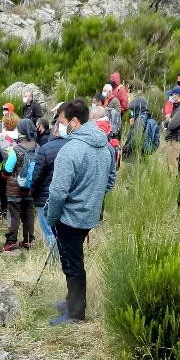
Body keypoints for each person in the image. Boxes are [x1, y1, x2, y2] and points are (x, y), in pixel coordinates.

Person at [45, 99, 116, 325]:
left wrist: (51, 218)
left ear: (74, 122)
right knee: (73, 261)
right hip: (89, 216)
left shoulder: (70, 150)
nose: (59, 125)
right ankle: (72, 302)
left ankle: (75, 313)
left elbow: (57, 193)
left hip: (69, 218)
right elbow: (110, 181)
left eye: (62, 121)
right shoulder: (106, 146)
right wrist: (92, 197)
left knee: (72, 265)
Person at [30, 104, 68, 255]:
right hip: (66, 196)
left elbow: (37, 176)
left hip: (45, 197)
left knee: (49, 231)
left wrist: (33, 192)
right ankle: (64, 259)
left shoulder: (45, 149)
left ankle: (54, 262)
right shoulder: (73, 146)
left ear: (55, 130)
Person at [2, 118, 40, 252]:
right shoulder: (37, 147)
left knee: (14, 214)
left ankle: (11, 241)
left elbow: (7, 170)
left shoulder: (15, 149)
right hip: (31, 188)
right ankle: (28, 241)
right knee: (29, 214)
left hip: (15, 189)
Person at [164, 88, 180, 170]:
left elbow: (171, 125)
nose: (170, 97)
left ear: (176, 95)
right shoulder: (175, 108)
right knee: (168, 166)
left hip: (176, 140)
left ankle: (173, 182)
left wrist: (168, 121)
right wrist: (168, 121)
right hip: (172, 139)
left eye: (171, 95)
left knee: (172, 166)